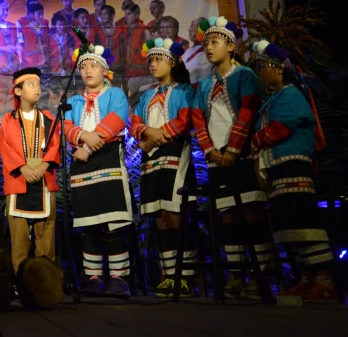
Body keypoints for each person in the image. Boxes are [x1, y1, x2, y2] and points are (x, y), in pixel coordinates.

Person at [249, 40, 336, 301]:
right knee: (289, 221)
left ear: (278, 69)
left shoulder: (291, 94)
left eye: (263, 66)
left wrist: (255, 140)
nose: (261, 72)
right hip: (279, 167)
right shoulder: (276, 97)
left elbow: (282, 126)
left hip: (293, 164)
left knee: (303, 218)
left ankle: (324, 279)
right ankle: (306, 278)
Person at [192, 17, 271, 300]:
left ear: (230, 45)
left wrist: (233, 149)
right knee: (228, 215)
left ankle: (261, 275)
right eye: (205, 44)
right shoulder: (204, 84)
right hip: (216, 156)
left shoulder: (245, 75)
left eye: (214, 42)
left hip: (242, 153)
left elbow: (249, 113)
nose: (208, 48)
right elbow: (198, 118)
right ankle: (237, 275)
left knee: (251, 211)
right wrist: (210, 151)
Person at [63, 46, 133, 297]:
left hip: (108, 159)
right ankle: (93, 276)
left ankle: (118, 277)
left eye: (92, 66)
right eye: (82, 67)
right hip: (82, 163)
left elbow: (117, 119)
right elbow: (67, 126)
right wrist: (83, 137)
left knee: (112, 221)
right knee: (89, 222)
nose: (87, 70)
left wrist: (88, 147)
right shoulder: (73, 101)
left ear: (105, 71)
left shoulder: (115, 94)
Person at [130, 39, 197, 297]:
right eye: (150, 60)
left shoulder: (184, 91)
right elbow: (134, 121)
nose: (153, 64)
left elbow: (185, 118)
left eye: (158, 60)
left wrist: (158, 134)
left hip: (174, 152)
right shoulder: (147, 94)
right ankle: (169, 275)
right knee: (159, 215)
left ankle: (186, 276)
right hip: (151, 158)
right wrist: (146, 132)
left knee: (175, 212)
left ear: (172, 62)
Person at [0, 68, 60, 274]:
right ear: (18, 91)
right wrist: (23, 167)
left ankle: (46, 278)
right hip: (19, 181)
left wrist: (43, 166)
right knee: (19, 236)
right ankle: (20, 279)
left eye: (38, 85)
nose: (37, 89)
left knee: (46, 233)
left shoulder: (48, 119)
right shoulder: (9, 119)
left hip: (44, 181)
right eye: (31, 85)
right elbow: (5, 146)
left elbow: (54, 145)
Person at [119, 4, 152, 96]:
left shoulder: (144, 30)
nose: (126, 16)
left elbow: (150, 50)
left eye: (129, 14)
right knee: (132, 94)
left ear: (137, 15)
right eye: (125, 14)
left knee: (142, 94)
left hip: (141, 71)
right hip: (127, 70)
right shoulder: (123, 29)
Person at [17, 1, 49, 69]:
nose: (41, 16)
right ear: (31, 15)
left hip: (47, 65)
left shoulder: (46, 29)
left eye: (42, 14)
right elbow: (20, 49)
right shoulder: (24, 31)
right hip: (31, 65)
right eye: (39, 14)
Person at [183, 17, 211, 86]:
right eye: (191, 25)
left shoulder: (207, 52)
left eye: (193, 26)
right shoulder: (188, 51)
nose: (190, 30)